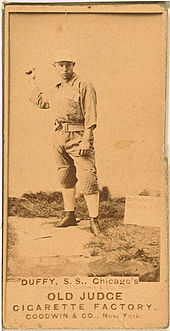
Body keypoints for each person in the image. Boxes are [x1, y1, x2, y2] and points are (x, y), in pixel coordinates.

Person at [26, 51, 100, 236]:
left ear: (73, 64)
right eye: (60, 65)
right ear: (55, 66)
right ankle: (70, 215)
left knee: (89, 178)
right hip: (59, 136)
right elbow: (43, 102)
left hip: (78, 135)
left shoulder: (84, 84)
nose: (64, 69)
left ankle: (94, 221)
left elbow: (91, 114)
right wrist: (32, 80)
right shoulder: (57, 86)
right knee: (65, 176)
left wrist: (86, 138)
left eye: (68, 64)